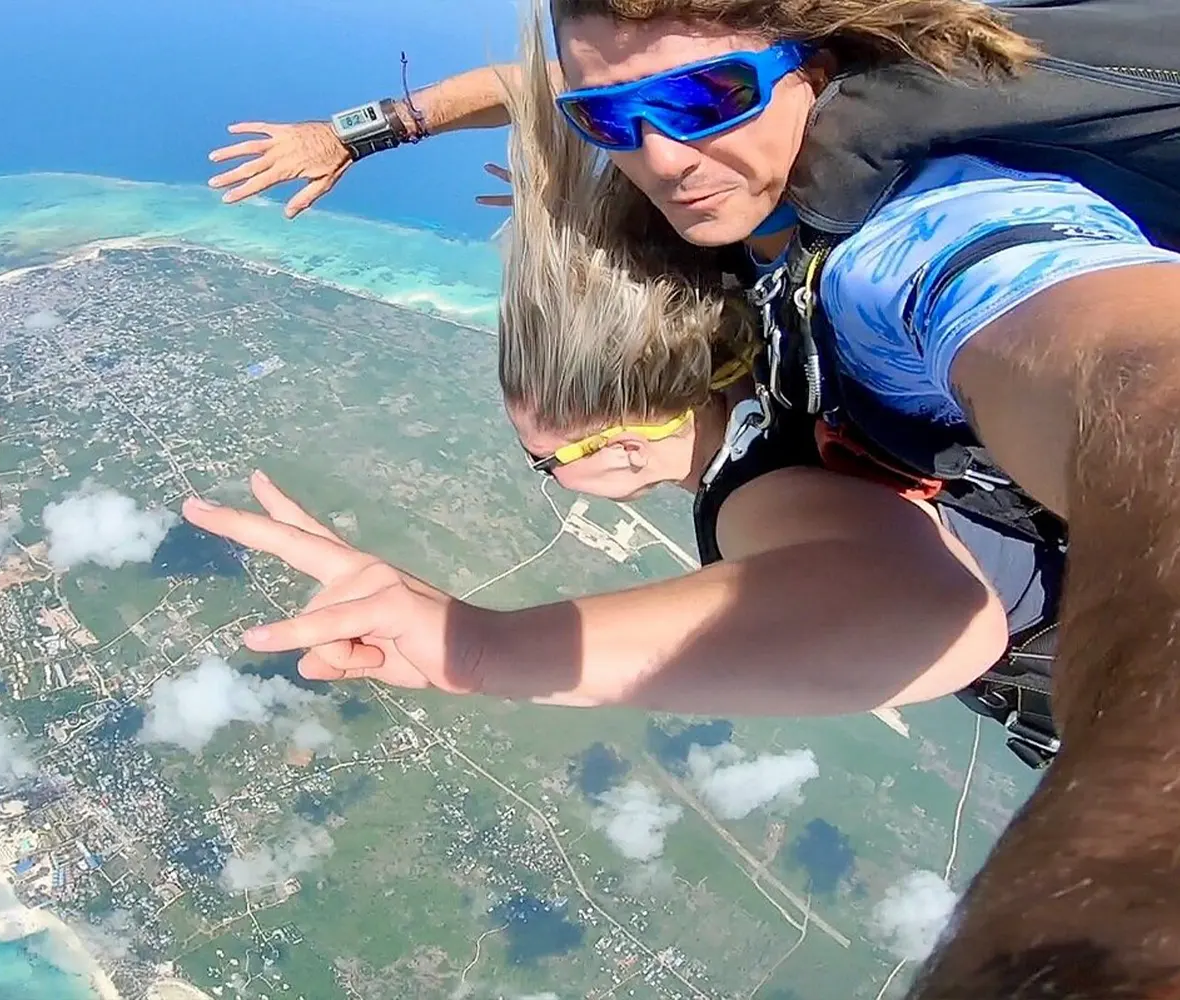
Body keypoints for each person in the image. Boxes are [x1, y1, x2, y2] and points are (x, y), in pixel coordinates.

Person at [201, 1, 1180, 994]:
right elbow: (556, 90)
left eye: (706, 98)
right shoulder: (746, 251)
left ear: (822, 62)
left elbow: (1123, 410)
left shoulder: (912, 251)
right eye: (610, 121)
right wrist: (357, 134)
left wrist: (483, 646)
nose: (662, 154)